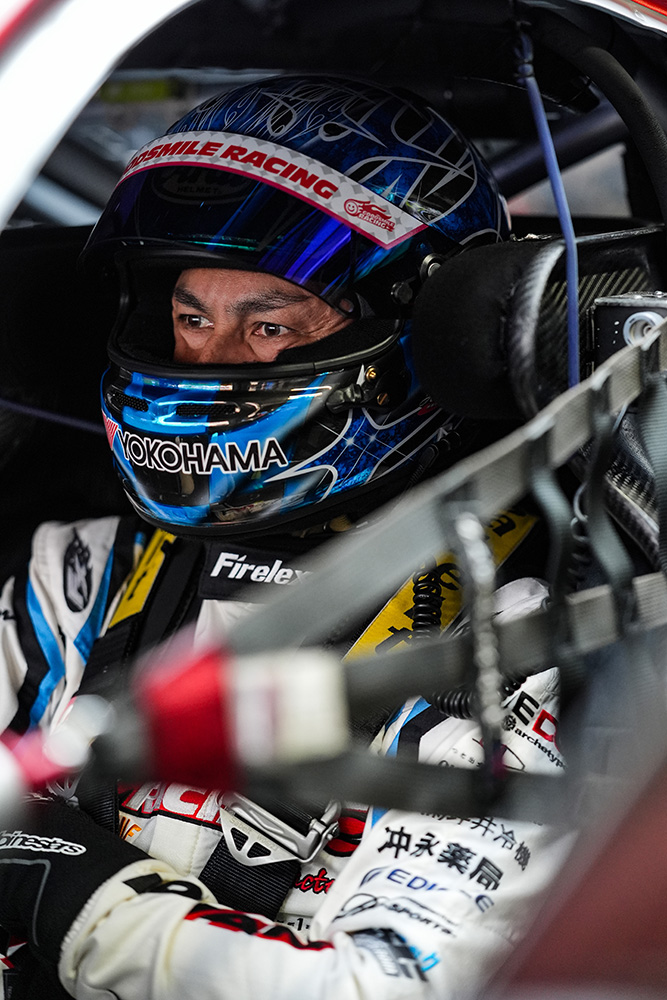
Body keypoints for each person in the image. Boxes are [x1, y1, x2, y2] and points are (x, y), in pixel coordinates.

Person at [0, 75, 570, 999]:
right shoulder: (80, 571)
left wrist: (66, 886)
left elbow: (376, 986)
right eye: (191, 317)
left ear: (413, 338)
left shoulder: (515, 635)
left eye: (268, 324)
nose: (211, 361)